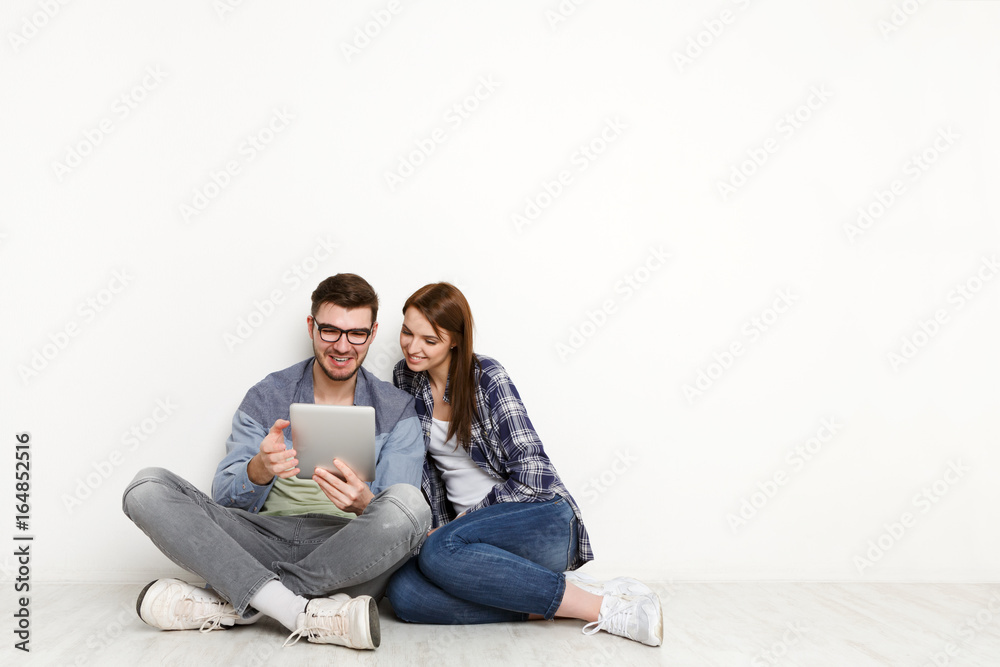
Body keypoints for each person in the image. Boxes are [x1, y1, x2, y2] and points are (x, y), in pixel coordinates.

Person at [121, 273, 430, 651]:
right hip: (259, 536)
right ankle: (302, 611)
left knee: (413, 507)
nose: (342, 346)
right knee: (146, 486)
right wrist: (259, 469)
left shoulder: (396, 410)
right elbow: (225, 499)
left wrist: (364, 503)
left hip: (344, 548)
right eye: (330, 331)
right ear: (311, 326)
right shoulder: (268, 395)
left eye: (356, 334)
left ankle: (244, 600)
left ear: (373, 332)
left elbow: (400, 516)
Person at [385, 282, 663, 647]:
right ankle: (548, 598)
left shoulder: (486, 377)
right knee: (404, 593)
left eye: (429, 340)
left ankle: (602, 607)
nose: (413, 346)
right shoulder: (405, 379)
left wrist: (456, 527)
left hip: (539, 518)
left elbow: (532, 474)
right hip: (466, 541)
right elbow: (428, 474)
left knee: (439, 551)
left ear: (454, 339)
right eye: (407, 332)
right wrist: (438, 528)